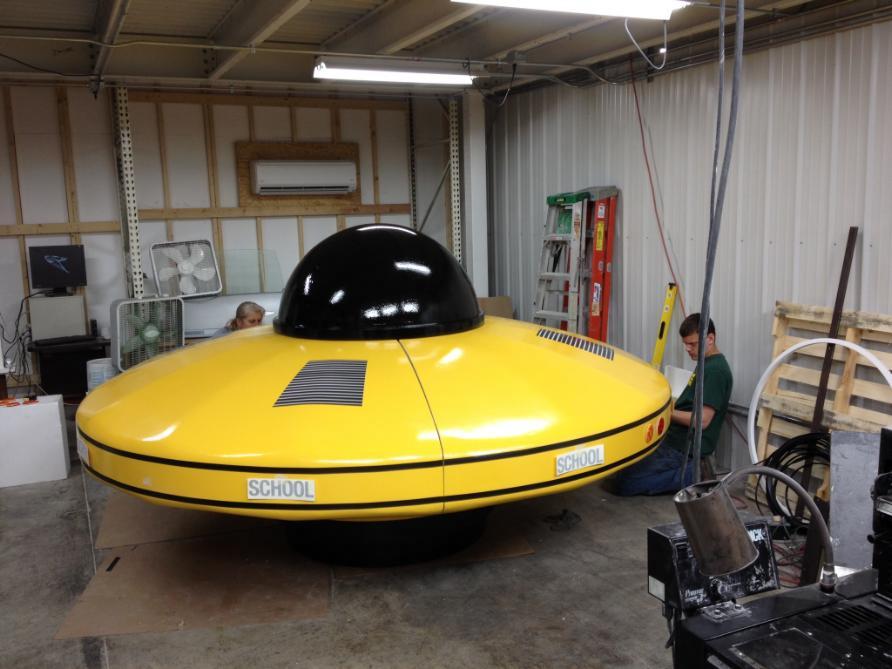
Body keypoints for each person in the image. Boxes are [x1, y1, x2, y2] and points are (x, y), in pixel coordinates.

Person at [612, 313, 733, 496]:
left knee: (624, 483)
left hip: (683, 448)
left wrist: (666, 413)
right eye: (685, 344)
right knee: (620, 467)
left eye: (692, 344)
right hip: (675, 439)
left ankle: (691, 476)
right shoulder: (706, 364)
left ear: (710, 339)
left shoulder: (716, 371)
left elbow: (702, 421)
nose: (687, 349)